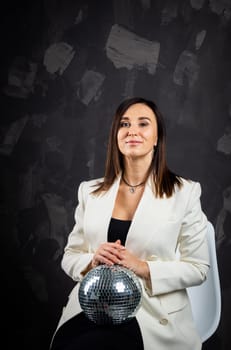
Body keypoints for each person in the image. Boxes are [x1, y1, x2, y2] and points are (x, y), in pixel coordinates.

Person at [50, 97, 210, 350]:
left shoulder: (185, 192)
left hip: (149, 313)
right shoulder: (89, 191)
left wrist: (142, 267)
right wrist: (92, 261)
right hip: (92, 307)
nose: (132, 131)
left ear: (157, 138)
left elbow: (198, 268)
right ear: (116, 135)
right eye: (124, 124)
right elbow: (70, 256)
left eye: (143, 124)